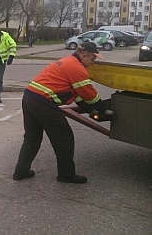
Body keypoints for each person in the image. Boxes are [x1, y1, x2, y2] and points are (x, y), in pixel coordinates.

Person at [13, 42, 115, 184]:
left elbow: (78, 95)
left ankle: (20, 172)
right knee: (64, 139)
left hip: (30, 97)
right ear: (84, 55)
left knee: (32, 138)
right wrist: (104, 110)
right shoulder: (77, 68)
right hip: (43, 103)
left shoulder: (67, 61)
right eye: (93, 59)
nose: (93, 63)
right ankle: (66, 175)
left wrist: (90, 110)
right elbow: (90, 95)